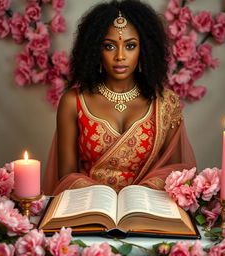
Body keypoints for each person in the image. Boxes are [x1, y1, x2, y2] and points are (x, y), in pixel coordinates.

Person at [43, 0, 196, 195]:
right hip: (90, 211)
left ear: (145, 50)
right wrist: (102, 199)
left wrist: (140, 195)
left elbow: (174, 173)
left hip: (145, 211)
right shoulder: (73, 102)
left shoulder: (165, 102)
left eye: (130, 46)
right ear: (95, 50)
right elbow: (67, 177)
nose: (120, 56)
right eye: (109, 46)